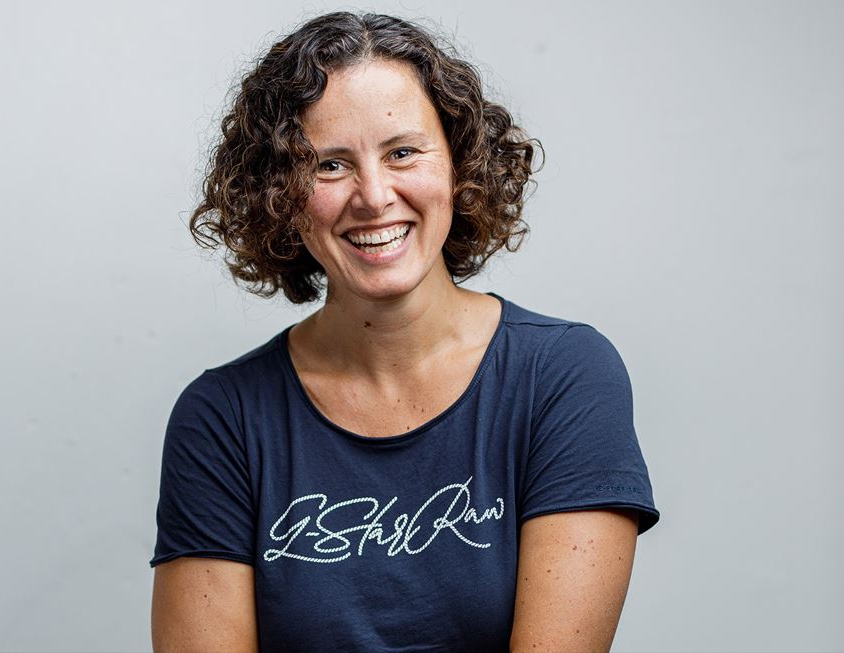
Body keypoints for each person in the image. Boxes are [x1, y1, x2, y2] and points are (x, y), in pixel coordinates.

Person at [148, 11, 659, 653]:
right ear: (277, 193)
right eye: (330, 165)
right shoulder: (223, 417)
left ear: (459, 164)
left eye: (402, 152)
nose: (373, 195)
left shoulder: (563, 376)